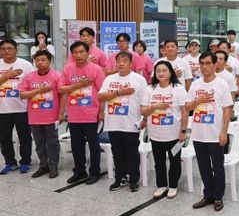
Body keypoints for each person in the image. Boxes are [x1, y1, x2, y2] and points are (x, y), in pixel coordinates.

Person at [186, 52, 233, 212]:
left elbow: (227, 110)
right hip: (199, 133)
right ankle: (208, 195)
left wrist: (224, 132)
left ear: (214, 65)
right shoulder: (195, 85)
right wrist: (198, 101)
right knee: (204, 166)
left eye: (207, 63)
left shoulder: (222, 85)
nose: (204, 67)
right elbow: (187, 107)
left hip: (215, 133)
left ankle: (218, 196)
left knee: (218, 167)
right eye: (202, 63)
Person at [98, 52, 148, 192]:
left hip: (131, 123)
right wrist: (119, 93)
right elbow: (101, 96)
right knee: (117, 153)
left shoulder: (139, 79)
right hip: (113, 123)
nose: (121, 63)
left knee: (132, 153)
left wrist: (145, 119)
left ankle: (134, 179)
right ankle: (119, 178)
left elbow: (145, 101)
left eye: (125, 60)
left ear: (131, 63)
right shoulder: (109, 79)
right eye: (118, 60)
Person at [58, 41, 106, 184]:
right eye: (75, 52)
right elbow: (61, 89)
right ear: (72, 54)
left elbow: (103, 92)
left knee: (93, 145)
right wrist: (78, 85)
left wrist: (101, 112)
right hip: (74, 114)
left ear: (87, 53)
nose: (78, 55)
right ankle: (79, 171)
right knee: (76, 146)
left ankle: (95, 172)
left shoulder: (96, 69)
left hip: (91, 114)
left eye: (81, 52)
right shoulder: (67, 69)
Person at [142, 60, 189, 199]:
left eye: (164, 70)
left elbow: (185, 111)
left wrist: (183, 131)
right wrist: (154, 107)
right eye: (158, 71)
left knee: (175, 162)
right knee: (159, 162)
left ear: (170, 72)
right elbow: (143, 111)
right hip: (156, 134)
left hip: (174, 134)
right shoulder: (149, 89)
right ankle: (161, 185)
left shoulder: (178, 89)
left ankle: (173, 185)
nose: (161, 73)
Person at [18, 50, 63, 178]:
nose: (40, 62)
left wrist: (61, 114)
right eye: (37, 60)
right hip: (34, 117)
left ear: (50, 61)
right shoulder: (29, 76)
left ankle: (53, 166)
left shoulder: (56, 75)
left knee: (52, 143)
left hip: (51, 117)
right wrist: (39, 90)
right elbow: (22, 95)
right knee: (39, 144)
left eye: (43, 60)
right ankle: (43, 166)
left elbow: (62, 95)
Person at [0, 39, 35, 175]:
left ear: (16, 49)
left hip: (22, 108)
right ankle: (10, 163)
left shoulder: (26, 65)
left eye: (10, 48)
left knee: (25, 137)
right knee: (4, 139)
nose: (6, 51)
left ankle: (25, 161)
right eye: (3, 48)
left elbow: (33, 84)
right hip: (2, 109)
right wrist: (7, 76)